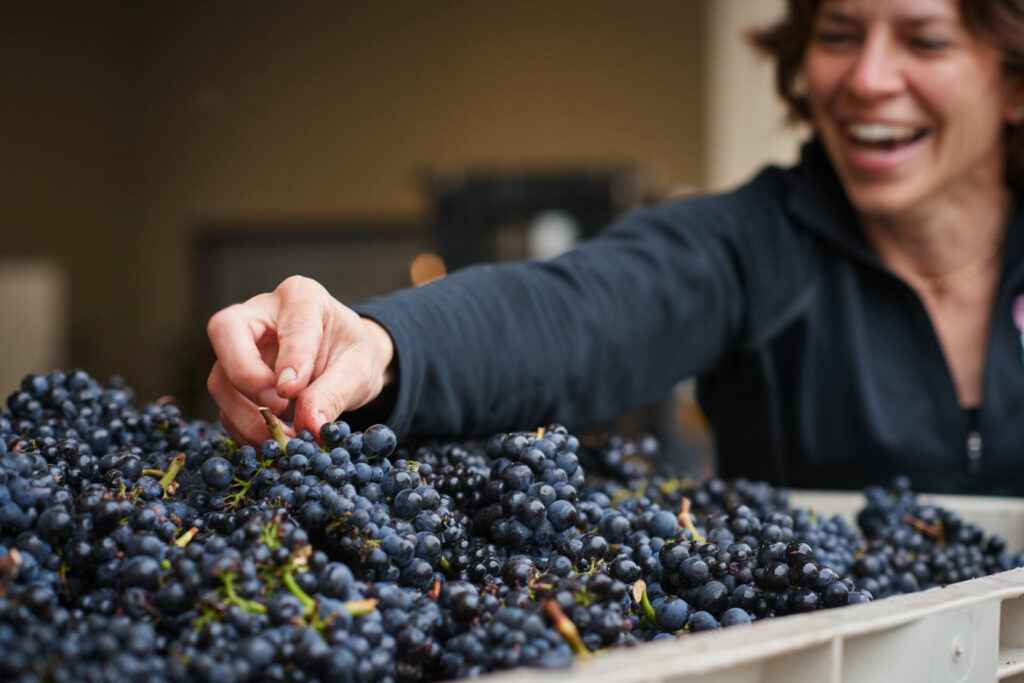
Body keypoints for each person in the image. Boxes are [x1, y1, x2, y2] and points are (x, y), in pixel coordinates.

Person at [206, 0, 1024, 495]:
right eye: (839, 34)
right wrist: (383, 343)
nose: (870, 78)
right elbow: (573, 313)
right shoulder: (749, 241)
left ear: (1013, 80)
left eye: (926, 41)